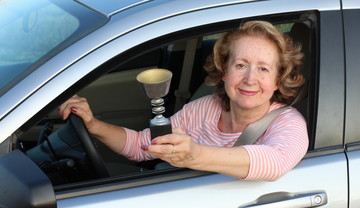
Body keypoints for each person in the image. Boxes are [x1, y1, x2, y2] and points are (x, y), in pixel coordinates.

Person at [59, 21, 309, 181]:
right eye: (240, 65)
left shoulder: (288, 122)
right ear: (224, 71)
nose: (249, 79)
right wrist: (93, 125)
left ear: (278, 80)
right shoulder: (204, 109)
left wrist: (195, 155)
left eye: (263, 69)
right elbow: (140, 145)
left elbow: (275, 162)